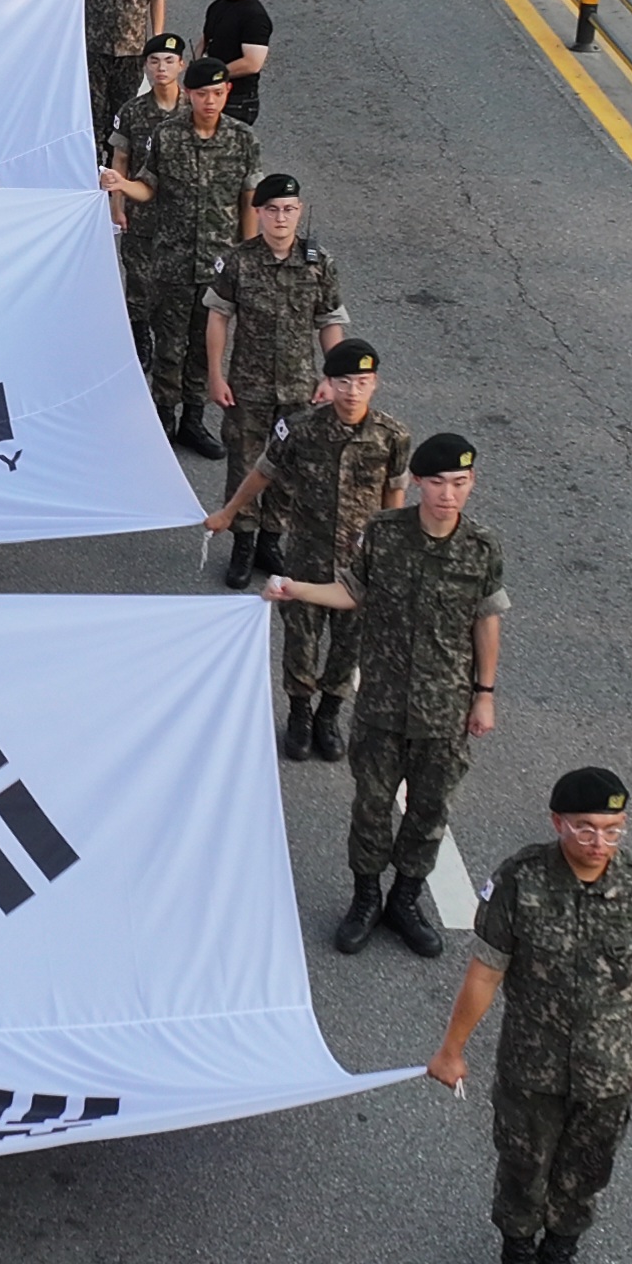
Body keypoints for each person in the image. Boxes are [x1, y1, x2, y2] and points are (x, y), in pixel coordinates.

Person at [427, 766, 632, 1264]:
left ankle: (559, 1257)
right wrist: (452, 1049)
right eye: (585, 828)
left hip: (608, 1070)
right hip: (532, 1067)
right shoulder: (520, 882)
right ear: (557, 823)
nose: (598, 842)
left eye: (612, 829)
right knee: (523, 1165)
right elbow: (486, 973)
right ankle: (517, 1257)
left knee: (586, 1169)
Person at [266, 429, 505, 960]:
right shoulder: (383, 532)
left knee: (428, 811)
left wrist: (484, 694)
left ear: (472, 484)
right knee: (371, 808)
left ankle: (406, 898)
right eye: (438, 482)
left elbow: (487, 622)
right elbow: (352, 592)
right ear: (417, 482)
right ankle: (366, 899)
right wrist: (294, 588)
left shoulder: (482, 548)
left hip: (445, 711)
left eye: (460, 483)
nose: (448, 494)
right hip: (381, 706)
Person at [210, 337, 405, 760]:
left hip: (361, 567)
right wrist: (229, 513)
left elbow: (394, 499)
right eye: (344, 382)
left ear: (376, 385)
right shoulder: (301, 429)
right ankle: (299, 714)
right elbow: (262, 473)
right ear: (328, 383)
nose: (352, 391)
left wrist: (394, 554)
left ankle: (329, 714)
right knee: (302, 640)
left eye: (363, 382)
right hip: (306, 559)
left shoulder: (392, 437)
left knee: (348, 645)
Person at [114, 60, 259, 453]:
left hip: (218, 264)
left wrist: (247, 257)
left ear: (227, 92)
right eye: (201, 94)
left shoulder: (243, 140)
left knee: (204, 346)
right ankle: (163, 418)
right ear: (190, 95)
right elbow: (149, 188)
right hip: (172, 262)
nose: (209, 101)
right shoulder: (167, 136)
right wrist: (122, 185)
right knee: (169, 345)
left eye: (217, 93)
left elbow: (248, 201)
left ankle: (193, 421)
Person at [203, 172, 346, 561]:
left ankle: (271, 541)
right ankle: (243, 545)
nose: (281, 218)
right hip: (248, 385)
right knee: (244, 464)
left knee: (288, 466)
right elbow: (218, 318)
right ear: (258, 213)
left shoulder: (319, 264)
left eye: (288, 209)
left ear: (299, 211)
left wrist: (334, 377)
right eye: (272, 210)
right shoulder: (238, 262)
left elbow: (329, 321)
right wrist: (215, 375)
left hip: (299, 387)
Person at [199, 0, 275, 126]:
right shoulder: (216, 7)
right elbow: (204, 41)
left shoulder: (255, 16)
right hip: (210, 94)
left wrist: (213, 76)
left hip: (237, 100)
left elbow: (252, 63)